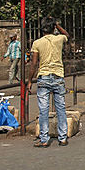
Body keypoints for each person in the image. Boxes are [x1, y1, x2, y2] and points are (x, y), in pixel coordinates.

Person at [26, 18, 70, 148]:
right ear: (53, 28)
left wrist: (29, 81)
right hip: (58, 76)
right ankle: (62, 138)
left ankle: (44, 139)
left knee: (43, 110)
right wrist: (57, 25)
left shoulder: (37, 43)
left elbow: (33, 64)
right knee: (61, 108)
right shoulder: (59, 39)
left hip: (43, 77)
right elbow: (67, 35)